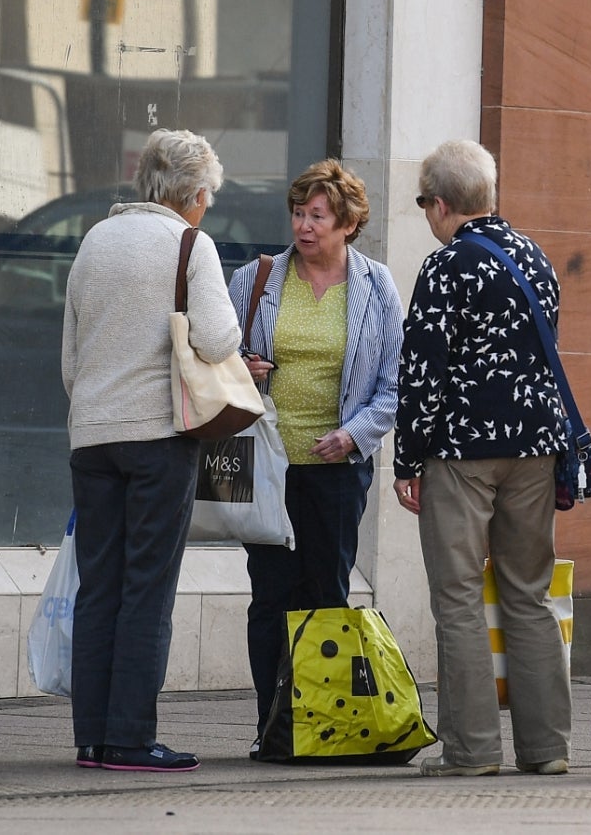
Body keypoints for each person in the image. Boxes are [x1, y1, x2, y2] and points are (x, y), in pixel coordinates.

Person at [60, 128, 243, 773]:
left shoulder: (93, 240)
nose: (207, 208)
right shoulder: (190, 244)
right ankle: (132, 739)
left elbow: (70, 358)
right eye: (208, 197)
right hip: (158, 437)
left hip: (92, 437)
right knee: (147, 589)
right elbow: (219, 339)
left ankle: (92, 738)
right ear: (194, 194)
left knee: (98, 586)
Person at [392, 138, 575, 777]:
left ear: (440, 204)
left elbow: (422, 371)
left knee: (460, 596)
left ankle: (471, 751)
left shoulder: (445, 267)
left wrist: (406, 459)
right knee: (528, 593)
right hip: (537, 448)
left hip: (462, 451)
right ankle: (547, 748)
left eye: (424, 204)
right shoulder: (536, 257)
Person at [223, 159, 403, 756]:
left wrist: (354, 434)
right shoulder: (258, 278)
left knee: (327, 593)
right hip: (269, 466)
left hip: (337, 471)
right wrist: (241, 369)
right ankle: (270, 727)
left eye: (318, 216)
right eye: (299, 214)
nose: (305, 226)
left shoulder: (376, 285)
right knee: (270, 594)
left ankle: (322, 726)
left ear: (348, 222)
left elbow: (394, 382)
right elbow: (214, 356)